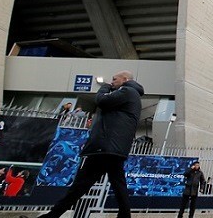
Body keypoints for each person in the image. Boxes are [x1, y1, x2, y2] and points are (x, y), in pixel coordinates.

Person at [40, 70, 144, 218]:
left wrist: (104, 88)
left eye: (115, 79)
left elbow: (101, 101)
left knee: (82, 185)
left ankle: (52, 215)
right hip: (111, 147)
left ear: (125, 79)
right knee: (112, 184)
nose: (112, 81)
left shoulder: (128, 91)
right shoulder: (129, 94)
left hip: (107, 147)